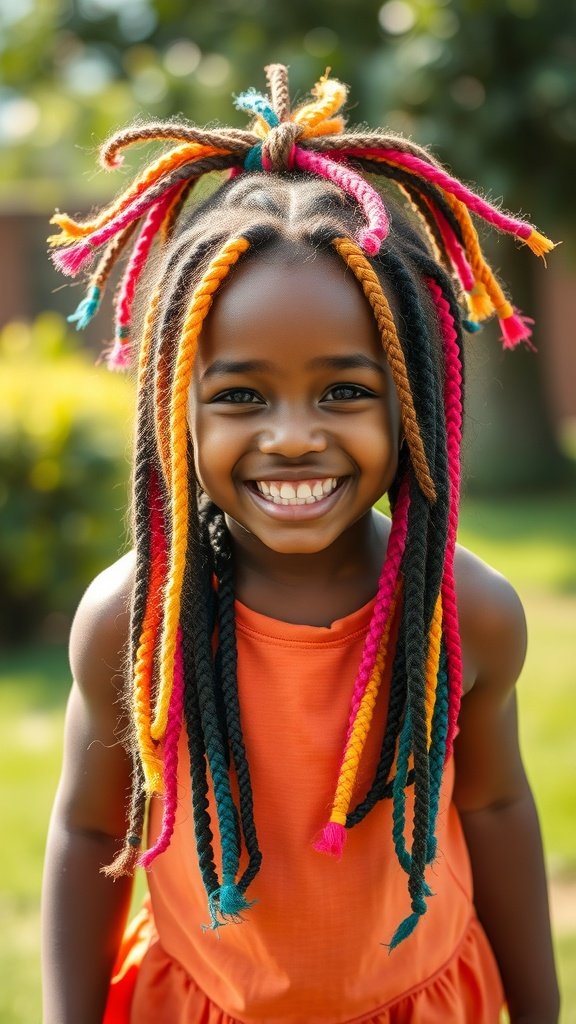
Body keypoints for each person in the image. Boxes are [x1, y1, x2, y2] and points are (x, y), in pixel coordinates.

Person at [41, 64, 560, 1024]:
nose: (291, 436)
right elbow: (86, 829)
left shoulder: (467, 615)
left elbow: (494, 809)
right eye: (240, 396)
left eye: (344, 392)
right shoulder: (133, 622)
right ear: (172, 410)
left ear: (416, 401)